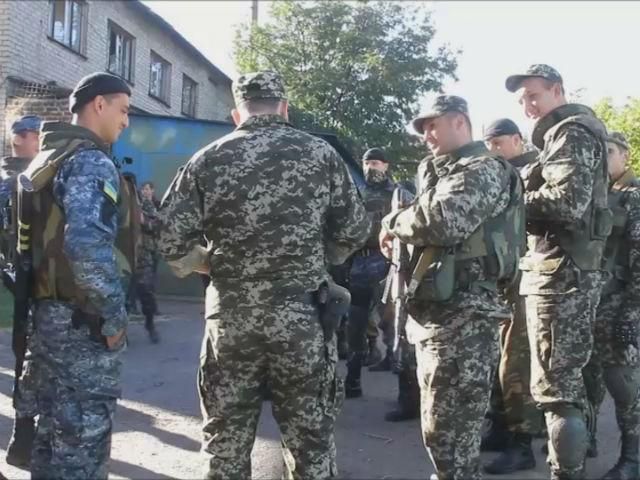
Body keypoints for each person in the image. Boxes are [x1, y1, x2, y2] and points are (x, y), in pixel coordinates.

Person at [158, 70, 369, 479]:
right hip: (302, 319)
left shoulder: (208, 158)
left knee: (226, 446)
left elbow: (170, 239)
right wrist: (314, 256)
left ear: (237, 114)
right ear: (284, 108)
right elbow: (355, 229)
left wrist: (211, 263)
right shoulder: (320, 154)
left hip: (231, 321)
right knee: (311, 444)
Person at [379, 95, 522, 479]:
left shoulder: (484, 168)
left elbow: (442, 221)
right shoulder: (442, 171)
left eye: (432, 125)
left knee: (451, 435)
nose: (426, 134)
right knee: (440, 432)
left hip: (466, 318)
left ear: (460, 121)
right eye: (422, 128)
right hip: (438, 314)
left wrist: (392, 220)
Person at [23, 72, 137, 478]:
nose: (126, 121)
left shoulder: (50, 157)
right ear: (98, 105)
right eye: (123, 110)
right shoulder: (90, 162)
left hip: (49, 319)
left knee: (51, 437)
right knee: (82, 447)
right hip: (81, 324)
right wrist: (113, 316)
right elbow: (86, 246)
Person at [506, 64, 609, 480]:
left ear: (558, 91)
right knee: (570, 383)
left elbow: (566, 202)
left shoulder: (569, 132)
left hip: (559, 276)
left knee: (556, 392)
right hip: (568, 273)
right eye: (523, 100)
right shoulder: (569, 133)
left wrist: (510, 198)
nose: (528, 106)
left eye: (535, 96)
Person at [481, 118, 543, 474]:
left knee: (516, 363)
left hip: (524, 276)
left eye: (499, 143)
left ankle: (522, 444)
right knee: (494, 357)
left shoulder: (535, 169)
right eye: (488, 143)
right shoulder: (490, 173)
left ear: (517, 140)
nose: (493, 150)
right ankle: (500, 429)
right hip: (498, 277)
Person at [582, 132, 640, 480]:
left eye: (608, 152)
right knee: (586, 376)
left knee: (623, 385)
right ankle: (585, 437)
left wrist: (633, 312)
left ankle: (632, 458)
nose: (602, 160)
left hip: (619, 303)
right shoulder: (595, 195)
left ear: (624, 156)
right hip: (589, 303)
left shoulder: (633, 198)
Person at [0, 115, 42, 468]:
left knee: (24, 362)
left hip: (21, 283)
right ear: (26, 138)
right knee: (27, 363)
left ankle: (23, 438)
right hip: (26, 287)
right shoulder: (23, 181)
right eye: (39, 135)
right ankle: (25, 437)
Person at [345, 147, 394, 398]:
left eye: (375, 163)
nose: (370, 168)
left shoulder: (398, 194)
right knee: (356, 325)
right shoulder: (355, 193)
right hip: (360, 265)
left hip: (388, 267)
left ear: (385, 166)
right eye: (366, 163)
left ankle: (404, 386)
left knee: (390, 322)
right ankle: (352, 381)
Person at [136, 181, 161, 343]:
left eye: (147, 189)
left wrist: (143, 222)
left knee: (146, 290)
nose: (144, 191)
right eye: (142, 189)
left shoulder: (149, 205)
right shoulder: (127, 204)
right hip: (125, 254)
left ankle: (150, 324)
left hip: (144, 254)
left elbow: (157, 225)